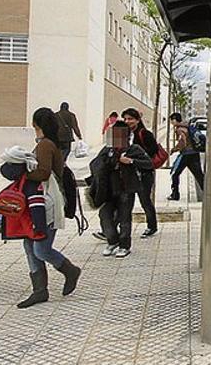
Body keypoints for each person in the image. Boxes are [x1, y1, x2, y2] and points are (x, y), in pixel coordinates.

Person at [10, 108, 81, 308]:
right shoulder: (50, 144)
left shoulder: (45, 145)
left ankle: (70, 270)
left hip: (46, 202)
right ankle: (39, 290)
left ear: (37, 125)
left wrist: (21, 173)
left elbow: (43, 173)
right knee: (30, 245)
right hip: (43, 201)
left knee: (40, 248)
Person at [93, 121, 152, 258]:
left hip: (126, 189)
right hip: (108, 189)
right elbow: (96, 164)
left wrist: (131, 161)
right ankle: (112, 241)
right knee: (105, 216)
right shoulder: (108, 150)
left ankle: (124, 245)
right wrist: (109, 162)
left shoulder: (134, 149)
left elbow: (148, 163)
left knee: (124, 218)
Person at [122, 108, 159, 238]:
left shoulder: (145, 134)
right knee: (124, 202)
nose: (127, 121)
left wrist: (136, 157)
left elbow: (153, 151)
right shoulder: (121, 134)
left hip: (144, 172)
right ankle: (111, 230)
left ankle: (151, 226)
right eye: (125, 119)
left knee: (145, 200)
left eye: (130, 119)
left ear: (137, 120)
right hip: (127, 173)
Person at [168, 112, 205, 201]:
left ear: (174, 120)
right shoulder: (187, 126)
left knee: (175, 174)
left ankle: (175, 194)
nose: (171, 123)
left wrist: (174, 149)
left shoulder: (179, 129)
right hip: (194, 153)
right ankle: (208, 193)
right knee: (199, 175)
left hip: (185, 155)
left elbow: (182, 142)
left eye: (171, 121)